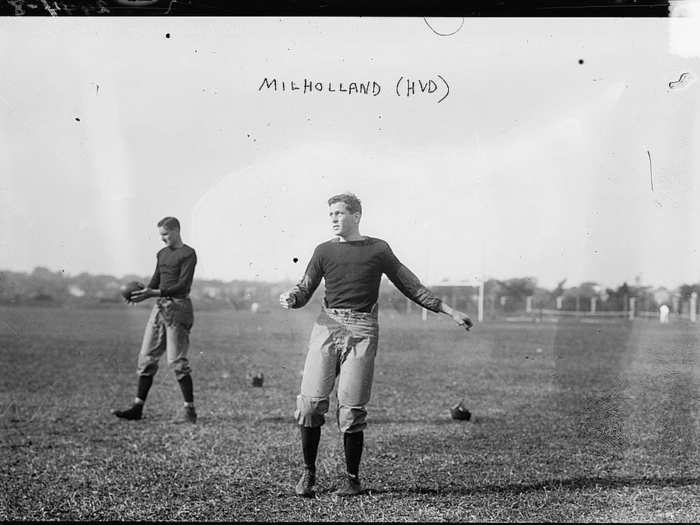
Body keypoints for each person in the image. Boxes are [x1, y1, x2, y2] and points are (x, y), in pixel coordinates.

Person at [280, 193, 473, 497]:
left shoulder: (378, 249)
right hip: (327, 326)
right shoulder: (323, 251)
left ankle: (352, 479)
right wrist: (292, 298)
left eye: (340, 213)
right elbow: (305, 289)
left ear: (356, 216)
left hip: (362, 329)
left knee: (352, 409)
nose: (333, 218)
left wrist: (449, 311)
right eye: (330, 213)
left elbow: (411, 285)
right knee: (310, 405)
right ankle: (308, 475)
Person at [112, 216, 198, 423]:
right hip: (160, 307)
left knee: (176, 362)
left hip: (178, 307)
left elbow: (182, 286)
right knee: (146, 358)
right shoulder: (161, 254)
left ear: (176, 230)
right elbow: (155, 280)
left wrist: (153, 293)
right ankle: (137, 408)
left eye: (165, 234)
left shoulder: (188, 254)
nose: (162, 239)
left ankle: (190, 411)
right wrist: (141, 294)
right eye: (160, 235)